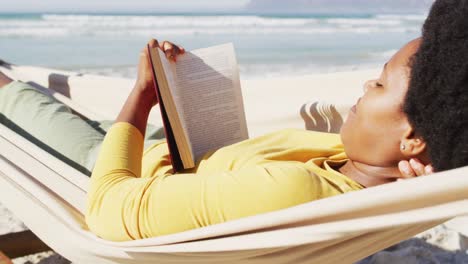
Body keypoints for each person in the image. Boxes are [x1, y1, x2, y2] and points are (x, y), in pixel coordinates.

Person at [0, 0, 464, 242]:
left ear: (411, 139)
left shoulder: (299, 192)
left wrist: (141, 96)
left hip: (104, 174)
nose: (365, 85)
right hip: (165, 152)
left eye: (380, 84)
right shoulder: (369, 170)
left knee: (15, 97)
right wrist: (417, 183)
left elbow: (107, 210)